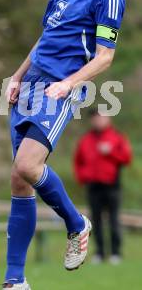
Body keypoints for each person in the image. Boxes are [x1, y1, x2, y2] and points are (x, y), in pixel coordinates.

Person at [4, 0, 125, 289]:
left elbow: (105, 56)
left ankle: (76, 223)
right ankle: (15, 280)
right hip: (31, 83)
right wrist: (18, 74)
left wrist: (67, 85)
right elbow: (47, 35)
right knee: (19, 179)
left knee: (27, 165)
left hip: (59, 86)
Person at [74, 109, 132, 264]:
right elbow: (78, 161)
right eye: (95, 118)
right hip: (93, 186)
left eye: (101, 117)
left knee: (114, 219)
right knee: (96, 221)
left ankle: (115, 253)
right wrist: (82, 178)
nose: (98, 121)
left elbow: (127, 158)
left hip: (112, 185)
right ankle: (99, 252)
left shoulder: (117, 137)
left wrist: (110, 152)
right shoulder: (86, 140)